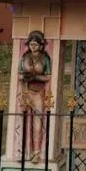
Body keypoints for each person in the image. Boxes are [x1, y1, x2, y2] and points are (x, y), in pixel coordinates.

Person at [19, 30, 52, 163]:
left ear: (41, 45)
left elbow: (48, 77)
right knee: (24, 120)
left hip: (39, 92)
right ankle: (24, 151)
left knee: (38, 122)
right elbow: (20, 74)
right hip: (26, 90)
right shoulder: (25, 57)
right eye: (31, 44)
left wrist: (36, 77)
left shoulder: (45, 59)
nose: (33, 47)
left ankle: (37, 152)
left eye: (35, 45)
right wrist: (25, 77)